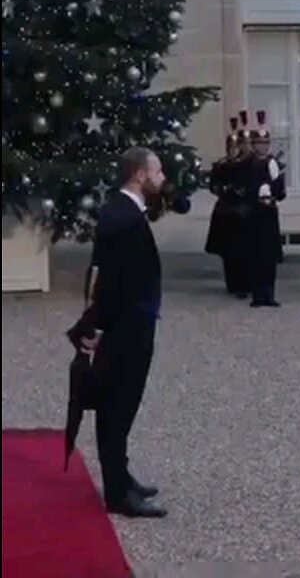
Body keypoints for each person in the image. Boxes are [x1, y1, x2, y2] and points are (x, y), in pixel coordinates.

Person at [79, 147, 168, 517]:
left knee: (123, 406)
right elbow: (107, 278)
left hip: (132, 322)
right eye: (158, 172)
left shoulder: (125, 211)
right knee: (117, 406)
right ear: (139, 176)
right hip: (125, 327)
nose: (162, 179)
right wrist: (98, 326)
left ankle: (121, 475)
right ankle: (117, 492)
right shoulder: (123, 217)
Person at [244, 111, 285, 307]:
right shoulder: (247, 164)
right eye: (259, 143)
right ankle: (257, 295)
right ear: (253, 145)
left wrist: (273, 191)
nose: (262, 147)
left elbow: (281, 191)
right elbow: (243, 187)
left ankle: (269, 294)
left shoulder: (272, 163)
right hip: (253, 212)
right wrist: (256, 192)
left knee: (269, 256)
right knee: (254, 255)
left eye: (265, 143)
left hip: (269, 212)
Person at [204, 117, 244, 295]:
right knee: (228, 252)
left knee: (243, 251)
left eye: (236, 147)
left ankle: (243, 283)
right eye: (231, 147)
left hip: (242, 211)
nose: (233, 151)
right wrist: (222, 188)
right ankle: (232, 283)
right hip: (226, 211)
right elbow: (213, 186)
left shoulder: (244, 165)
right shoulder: (221, 165)